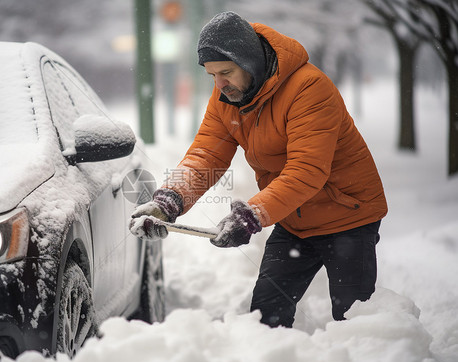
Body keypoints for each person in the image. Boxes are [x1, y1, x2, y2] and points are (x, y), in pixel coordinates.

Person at [129, 11, 388, 328]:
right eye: (212, 75)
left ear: (250, 62)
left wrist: (252, 214)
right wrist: (168, 201)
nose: (219, 84)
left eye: (226, 72)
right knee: (265, 317)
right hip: (294, 220)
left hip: (348, 218)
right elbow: (206, 154)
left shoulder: (309, 89)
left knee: (356, 324)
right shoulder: (227, 95)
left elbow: (307, 171)